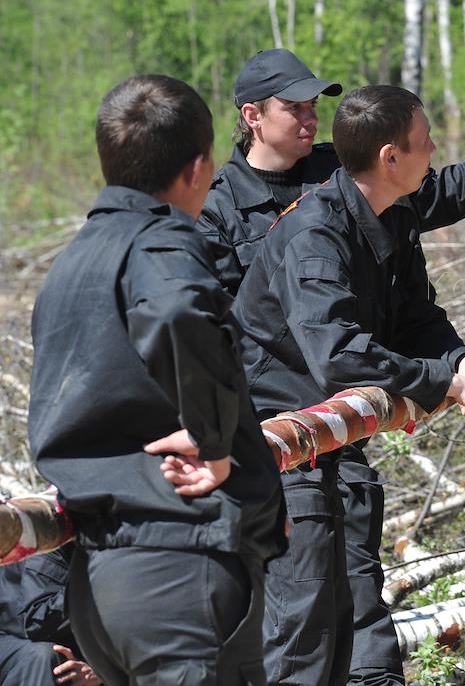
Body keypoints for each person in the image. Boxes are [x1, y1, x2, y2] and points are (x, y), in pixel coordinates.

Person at [199, 49, 465, 685]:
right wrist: (447, 379)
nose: (310, 118)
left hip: (337, 431)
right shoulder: (271, 218)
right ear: (252, 116)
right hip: (276, 438)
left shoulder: (386, 204)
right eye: (295, 106)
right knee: (304, 626)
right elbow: (330, 349)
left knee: (364, 619)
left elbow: (415, 314)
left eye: (317, 106)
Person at [26, 74, 288, 685]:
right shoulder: (161, 241)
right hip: (177, 567)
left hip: (100, 583)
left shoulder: (71, 264)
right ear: (199, 168)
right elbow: (176, 312)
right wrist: (217, 443)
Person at [0, 545, 101, 686]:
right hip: (12, 641)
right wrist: (101, 589)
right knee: (42, 657)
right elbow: (37, 622)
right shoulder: (51, 539)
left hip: (81, 658)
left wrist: (98, 672)